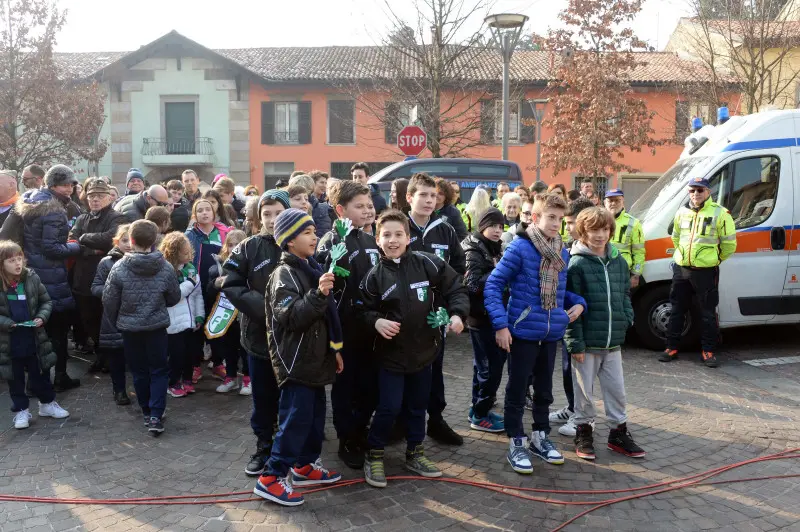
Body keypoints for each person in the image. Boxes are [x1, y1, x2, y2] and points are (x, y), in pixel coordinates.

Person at [356, 209, 468, 488]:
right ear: (377, 239)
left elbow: (456, 287)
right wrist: (376, 321)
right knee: (389, 407)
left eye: (398, 234)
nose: (392, 240)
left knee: (419, 406)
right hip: (390, 356)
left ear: (408, 237)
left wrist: (457, 314)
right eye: (386, 235)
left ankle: (415, 452)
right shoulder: (373, 276)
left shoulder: (428, 264)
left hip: (425, 351)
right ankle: (375, 453)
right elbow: (360, 311)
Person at [484, 192, 586, 474]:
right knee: (517, 389)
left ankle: (541, 435)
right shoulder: (520, 248)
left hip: (551, 333)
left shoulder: (562, 250)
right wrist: (501, 325)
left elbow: (562, 291)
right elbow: (493, 286)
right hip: (523, 332)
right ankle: (517, 440)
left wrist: (579, 303)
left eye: (560, 219)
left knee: (544, 391)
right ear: (536, 217)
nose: (556, 224)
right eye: (550, 217)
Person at [253, 208, 343, 507]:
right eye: (307, 232)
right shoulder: (284, 274)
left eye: (314, 231)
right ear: (289, 240)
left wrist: (335, 349)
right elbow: (290, 317)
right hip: (295, 362)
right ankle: (271, 476)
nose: (315, 235)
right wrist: (318, 294)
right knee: (295, 418)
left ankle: (304, 465)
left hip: (315, 359)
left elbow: (327, 320)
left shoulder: (310, 266)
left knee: (315, 417)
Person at [565, 207, 645, 460]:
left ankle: (618, 434)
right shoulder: (576, 264)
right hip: (586, 344)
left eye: (604, 229)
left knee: (616, 391)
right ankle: (584, 432)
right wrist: (575, 343)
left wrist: (626, 319)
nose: (600, 235)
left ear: (610, 231)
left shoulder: (619, 262)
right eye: (593, 230)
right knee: (584, 394)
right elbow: (570, 305)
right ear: (583, 231)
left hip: (612, 343)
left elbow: (624, 295)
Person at [315, 180, 380, 469]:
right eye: (360, 206)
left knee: (369, 385)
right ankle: (347, 436)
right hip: (346, 330)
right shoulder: (331, 240)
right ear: (341, 210)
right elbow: (327, 278)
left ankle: (361, 427)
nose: (368, 210)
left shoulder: (371, 240)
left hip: (372, 329)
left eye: (369, 205)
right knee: (346, 386)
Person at [222, 189, 287, 476]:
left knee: (292, 397)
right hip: (258, 337)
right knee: (263, 396)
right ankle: (264, 444)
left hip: (294, 339)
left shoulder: (302, 243)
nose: (273, 220)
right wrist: (264, 309)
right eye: (267, 214)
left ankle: (292, 448)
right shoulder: (248, 247)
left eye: (279, 213)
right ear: (258, 218)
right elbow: (231, 282)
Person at [102, 220, 181, 435]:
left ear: (132, 240)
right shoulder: (165, 267)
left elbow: (109, 301)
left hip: (130, 328)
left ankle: (147, 410)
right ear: (154, 241)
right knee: (158, 369)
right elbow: (174, 297)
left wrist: (120, 319)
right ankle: (156, 413)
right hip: (156, 327)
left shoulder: (118, 267)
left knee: (138, 370)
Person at [404, 172, 465, 445]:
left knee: (434, 368)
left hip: (434, 316)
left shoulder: (446, 229)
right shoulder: (397, 227)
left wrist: (449, 307)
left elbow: (458, 269)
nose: (429, 200)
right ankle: (400, 421)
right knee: (402, 368)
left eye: (433, 195)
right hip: (403, 315)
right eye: (423, 195)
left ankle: (436, 420)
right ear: (409, 198)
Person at [13, 164, 82, 391]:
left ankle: (37, 381)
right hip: (50, 277)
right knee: (57, 331)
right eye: (64, 185)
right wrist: (75, 246)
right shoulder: (52, 210)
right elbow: (52, 248)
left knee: (39, 333)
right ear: (52, 185)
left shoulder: (32, 201)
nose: (69, 189)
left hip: (33, 274)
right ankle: (57, 378)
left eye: (71, 184)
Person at [662, 177, 736, 368]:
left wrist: (715, 260)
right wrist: (683, 256)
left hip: (706, 271)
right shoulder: (681, 212)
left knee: (707, 312)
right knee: (677, 309)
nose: (696, 194)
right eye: (692, 190)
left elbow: (729, 244)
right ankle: (671, 347)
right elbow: (676, 237)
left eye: (700, 190)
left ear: (708, 192)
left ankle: (708, 351)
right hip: (682, 269)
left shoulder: (721, 213)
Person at [0, 240, 70, 429]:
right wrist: (8, 323)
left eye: (19, 258)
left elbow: (46, 301)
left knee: (41, 372)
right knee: (15, 378)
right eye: (11, 260)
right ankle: (21, 411)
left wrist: (41, 317)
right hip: (9, 341)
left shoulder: (31, 277)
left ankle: (47, 404)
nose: (17, 264)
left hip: (34, 337)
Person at [549, 196, 595, 438]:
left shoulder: (593, 252)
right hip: (569, 321)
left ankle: (585, 419)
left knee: (583, 372)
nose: (567, 228)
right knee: (568, 370)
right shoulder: (569, 248)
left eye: (571, 222)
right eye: (565, 223)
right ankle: (572, 407)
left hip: (586, 323)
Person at [69, 179, 126, 372]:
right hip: (83, 277)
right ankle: (100, 355)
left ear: (109, 197)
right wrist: (91, 250)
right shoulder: (81, 218)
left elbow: (111, 239)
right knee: (88, 319)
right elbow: (71, 241)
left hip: (106, 278)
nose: (95, 199)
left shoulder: (117, 217)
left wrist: (84, 239)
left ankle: (110, 357)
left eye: (100, 196)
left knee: (106, 318)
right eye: (92, 196)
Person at [463, 208, 506, 433]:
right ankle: (479, 415)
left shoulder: (491, 247)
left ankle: (479, 409)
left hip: (490, 314)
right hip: (480, 318)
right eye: (493, 226)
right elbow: (471, 285)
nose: (498, 230)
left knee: (484, 367)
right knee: (490, 368)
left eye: (501, 226)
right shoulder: (474, 249)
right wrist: (499, 272)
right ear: (482, 226)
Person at [185, 199, 231, 383]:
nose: (205, 213)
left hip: (217, 286)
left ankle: (218, 363)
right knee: (196, 327)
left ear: (214, 213)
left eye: (208, 210)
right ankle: (195, 366)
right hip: (195, 287)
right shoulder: (189, 235)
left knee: (216, 324)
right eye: (200, 210)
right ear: (195, 215)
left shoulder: (223, 233)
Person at [158, 231, 204, 398]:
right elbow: (175, 295)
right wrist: (189, 283)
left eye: (189, 252)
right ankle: (173, 382)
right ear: (173, 253)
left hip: (190, 321)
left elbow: (198, 295)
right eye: (185, 253)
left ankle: (187, 380)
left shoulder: (190, 270)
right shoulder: (166, 271)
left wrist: (199, 315)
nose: (189, 256)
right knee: (176, 355)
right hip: (173, 322)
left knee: (189, 354)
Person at [91, 224, 132, 406]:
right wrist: (114, 292)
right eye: (124, 240)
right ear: (117, 242)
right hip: (114, 315)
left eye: (132, 240)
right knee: (117, 357)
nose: (129, 244)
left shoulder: (145, 260)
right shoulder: (107, 262)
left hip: (137, 315)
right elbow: (96, 287)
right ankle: (119, 390)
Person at [207, 230, 250, 394]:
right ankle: (230, 377)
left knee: (245, 348)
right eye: (230, 245)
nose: (232, 249)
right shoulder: (217, 268)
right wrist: (215, 284)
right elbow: (208, 292)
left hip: (244, 314)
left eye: (236, 246)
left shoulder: (249, 266)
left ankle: (247, 379)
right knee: (228, 348)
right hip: (225, 314)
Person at [603, 189, 645, 289]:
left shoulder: (633, 223)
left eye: (617, 200)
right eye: (610, 201)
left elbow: (639, 252)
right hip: (601, 270)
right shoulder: (598, 220)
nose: (613, 203)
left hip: (622, 273)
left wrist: (636, 274)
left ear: (623, 202)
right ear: (605, 203)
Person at [307, 170, 333, 237]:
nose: (324, 186)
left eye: (325, 183)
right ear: (313, 183)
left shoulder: (328, 201)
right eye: (322, 182)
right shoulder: (306, 202)